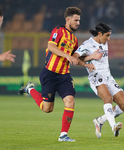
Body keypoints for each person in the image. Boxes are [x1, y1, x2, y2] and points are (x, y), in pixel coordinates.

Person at [18, 7, 92, 142]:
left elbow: (75, 58)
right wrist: (67, 56)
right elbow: (51, 47)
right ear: (68, 19)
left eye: (79, 20)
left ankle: (63, 135)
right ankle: (30, 89)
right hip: (49, 74)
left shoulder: (74, 40)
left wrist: (86, 64)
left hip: (64, 76)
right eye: (76, 20)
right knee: (47, 109)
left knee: (70, 101)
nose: (78, 23)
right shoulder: (58, 31)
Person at [73, 23, 124, 138]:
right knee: (108, 98)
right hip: (95, 76)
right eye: (107, 35)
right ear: (100, 34)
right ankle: (113, 126)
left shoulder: (104, 42)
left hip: (108, 77)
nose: (109, 38)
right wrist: (89, 59)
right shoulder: (88, 44)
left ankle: (100, 120)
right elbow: (74, 58)